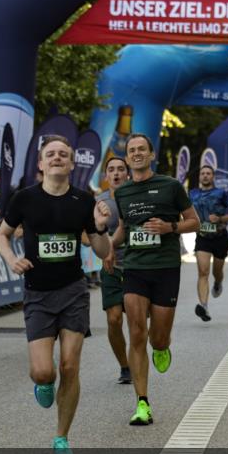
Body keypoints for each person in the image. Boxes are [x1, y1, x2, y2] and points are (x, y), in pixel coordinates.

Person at [0, 135, 110, 454]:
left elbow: (102, 252)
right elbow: (1, 235)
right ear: (42, 164)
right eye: (51, 154)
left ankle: (61, 436)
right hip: (38, 294)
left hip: (73, 291)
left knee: (70, 366)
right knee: (44, 372)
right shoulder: (24, 199)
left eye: (64, 154)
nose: (58, 157)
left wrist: (100, 229)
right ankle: (44, 384)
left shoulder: (84, 201)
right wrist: (10, 259)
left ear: (72, 164)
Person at [100, 133, 199, 427]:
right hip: (135, 268)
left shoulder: (170, 186)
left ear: (151, 154)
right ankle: (142, 402)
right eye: (132, 150)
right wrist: (109, 248)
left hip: (166, 268)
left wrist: (170, 226)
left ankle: (163, 345)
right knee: (136, 331)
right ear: (127, 157)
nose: (137, 153)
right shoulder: (123, 192)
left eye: (142, 149)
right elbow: (124, 228)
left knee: (157, 338)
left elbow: (194, 221)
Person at [95, 157, 132, 385]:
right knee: (114, 320)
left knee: (139, 322)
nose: (116, 173)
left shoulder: (137, 196)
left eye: (120, 169)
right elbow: (87, 233)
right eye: (111, 170)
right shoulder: (99, 201)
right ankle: (125, 366)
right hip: (111, 268)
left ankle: (144, 353)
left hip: (139, 266)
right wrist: (104, 246)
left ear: (127, 174)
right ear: (105, 176)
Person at [189, 164, 228, 322]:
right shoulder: (192, 194)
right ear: (199, 177)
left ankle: (218, 282)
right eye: (202, 173)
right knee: (203, 272)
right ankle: (204, 306)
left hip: (219, 237)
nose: (205, 176)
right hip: (202, 237)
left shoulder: (221, 193)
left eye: (208, 173)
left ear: (213, 176)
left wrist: (221, 218)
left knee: (217, 271)